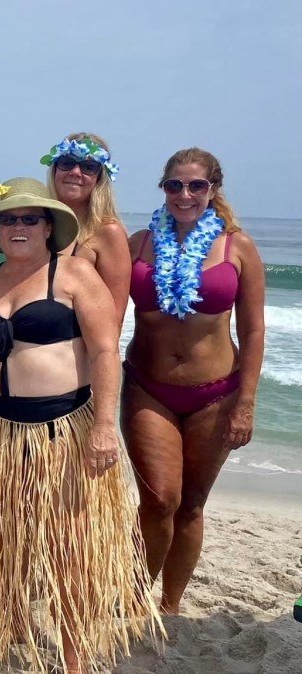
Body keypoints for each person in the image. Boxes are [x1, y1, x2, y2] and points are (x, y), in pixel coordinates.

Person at [0, 178, 161, 672]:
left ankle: (75, 656)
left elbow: (106, 351)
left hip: (61, 430)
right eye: (8, 219)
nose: (18, 227)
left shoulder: (76, 275)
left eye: (29, 219)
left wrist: (105, 425)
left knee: (68, 544)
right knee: (6, 535)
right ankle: (14, 626)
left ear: (48, 227)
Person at [123, 148, 265, 615]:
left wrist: (245, 402)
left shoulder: (237, 246)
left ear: (212, 189)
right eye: (174, 185)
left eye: (195, 186)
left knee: (192, 504)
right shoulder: (138, 243)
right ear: (163, 189)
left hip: (216, 395)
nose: (184, 194)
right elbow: (95, 308)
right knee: (161, 498)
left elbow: (253, 330)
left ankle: (170, 604)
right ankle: (130, 592)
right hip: (148, 388)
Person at [41, 133, 130, 324]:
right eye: (66, 163)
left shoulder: (107, 232)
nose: (75, 172)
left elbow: (114, 318)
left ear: (100, 178)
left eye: (89, 167)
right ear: (55, 169)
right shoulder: (35, 224)